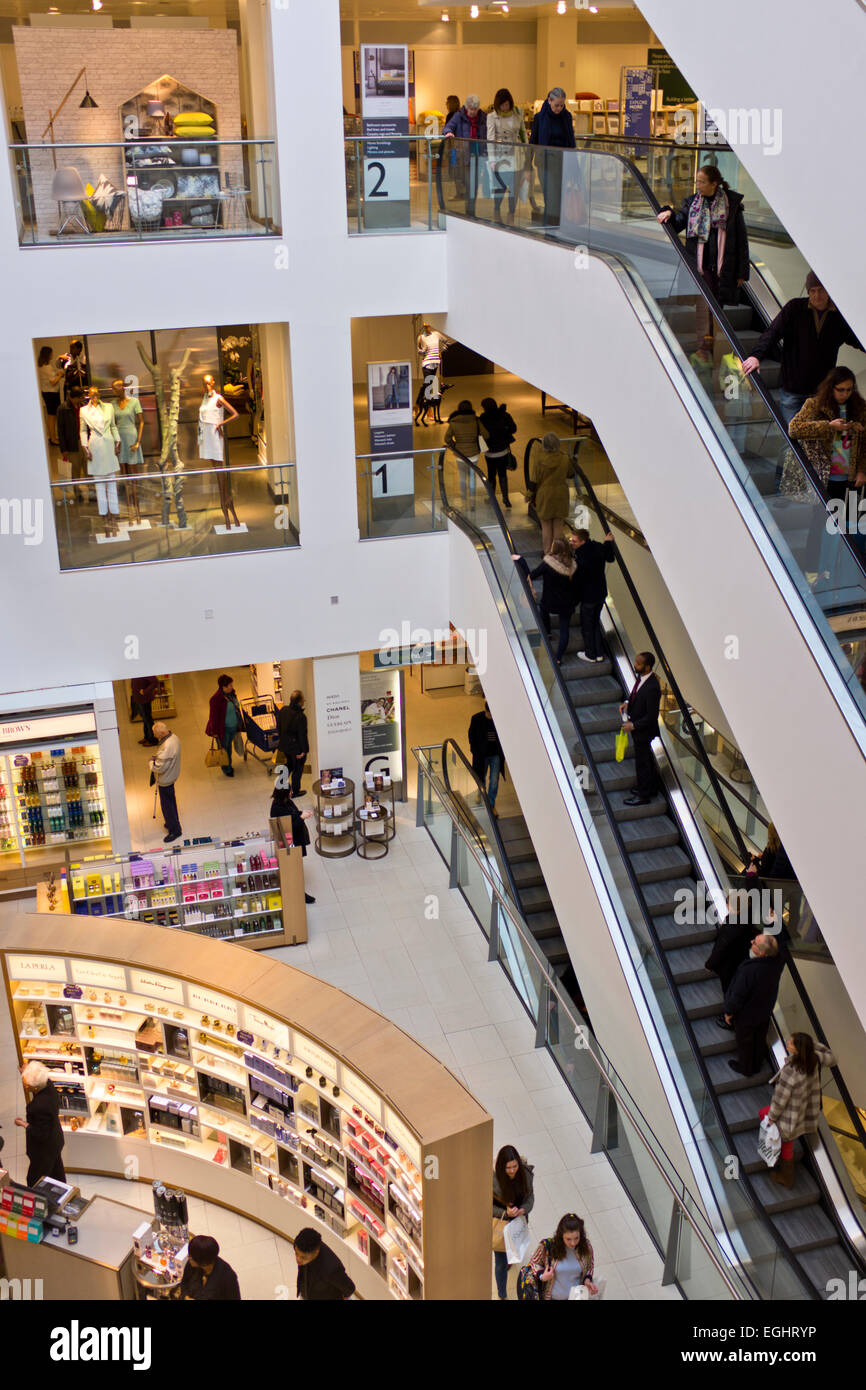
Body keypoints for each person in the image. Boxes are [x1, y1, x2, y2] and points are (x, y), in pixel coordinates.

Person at [741, 272, 864, 428]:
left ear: (828, 291)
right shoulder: (795, 308)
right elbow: (773, 333)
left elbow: (857, 339)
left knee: (817, 442)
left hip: (820, 392)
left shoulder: (839, 317)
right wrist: (756, 356)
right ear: (808, 292)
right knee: (791, 438)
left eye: (821, 290)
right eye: (812, 291)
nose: (817, 295)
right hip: (793, 390)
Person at [657, 165, 749, 343]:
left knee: (717, 306)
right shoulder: (693, 203)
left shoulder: (732, 205)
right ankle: (704, 345)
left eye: (701, 182)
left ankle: (713, 343)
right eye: (697, 181)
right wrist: (667, 211)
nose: (698, 185)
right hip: (701, 267)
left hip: (724, 267)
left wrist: (742, 273)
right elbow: (678, 223)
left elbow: (741, 241)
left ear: (714, 183)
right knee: (703, 305)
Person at [761, 1032, 835, 1188]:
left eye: (792, 1043)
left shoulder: (791, 1071)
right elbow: (831, 1058)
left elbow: (780, 1100)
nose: (787, 1043)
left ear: (799, 1049)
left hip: (790, 1114)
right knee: (787, 1137)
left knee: (783, 1138)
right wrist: (811, 1045)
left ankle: (786, 1177)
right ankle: (785, 1172)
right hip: (805, 1110)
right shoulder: (814, 1059)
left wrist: (772, 1118)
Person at [788, 368, 866, 503]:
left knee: (848, 517)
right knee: (822, 517)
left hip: (850, 475)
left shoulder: (860, 408)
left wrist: (861, 470)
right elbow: (794, 429)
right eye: (840, 390)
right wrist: (828, 426)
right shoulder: (814, 405)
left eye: (849, 390)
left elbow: (864, 443)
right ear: (830, 388)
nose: (845, 394)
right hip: (824, 474)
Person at [722, 934, 784, 1076]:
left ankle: (746, 1067)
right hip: (764, 1011)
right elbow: (782, 945)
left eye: (755, 943)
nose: (751, 942)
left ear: (761, 953)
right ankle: (756, 1063)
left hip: (747, 1014)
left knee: (745, 1041)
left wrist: (728, 1011)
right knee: (759, 1039)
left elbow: (738, 994)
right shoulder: (776, 964)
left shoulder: (749, 970)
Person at [526, 89, 575, 228]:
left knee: (559, 198)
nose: (559, 108)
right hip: (545, 163)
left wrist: (574, 165)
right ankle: (551, 230)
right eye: (556, 105)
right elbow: (533, 142)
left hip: (563, 162)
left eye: (562, 105)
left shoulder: (567, 117)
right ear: (549, 100)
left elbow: (571, 142)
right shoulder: (539, 118)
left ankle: (556, 227)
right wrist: (527, 166)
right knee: (551, 198)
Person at [492, 1145, 535, 1300]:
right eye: (508, 1168)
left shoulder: (525, 1175)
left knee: (515, 1247)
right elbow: (486, 1206)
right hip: (501, 1226)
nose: (512, 1171)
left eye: (515, 1166)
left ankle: (510, 1261)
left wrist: (523, 1209)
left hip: (519, 1221)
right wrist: (505, 1212)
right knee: (500, 1263)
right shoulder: (493, 1181)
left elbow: (530, 1198)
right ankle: (502, 1294)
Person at [14, 1061, 66, 1188]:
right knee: (56, 1174)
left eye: (27, 1084)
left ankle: (40, 1203)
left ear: (35, 1087)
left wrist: (24, 1124)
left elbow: (40, 1134)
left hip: (44, 1149)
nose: (25, 1086)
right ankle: (63, 1196)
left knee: (35, 1180)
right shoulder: (49, 1086)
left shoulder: (38, 1107)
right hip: (55, 1140)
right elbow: (39, 1079)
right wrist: (27, 1072)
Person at [619, 651, 661, 806]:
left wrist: (633, 725)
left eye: (638, 664)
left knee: (642, 763)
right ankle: (650, 788)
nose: (635, 665)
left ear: (647, 666)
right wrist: (627, 703)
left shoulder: (653, 687)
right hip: (640, 729)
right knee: (646, 760)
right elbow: (636, 694)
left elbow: (652, 715)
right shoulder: (642, 678)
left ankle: (643, 795)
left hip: (644, 731)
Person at [80, 384, 122, 536]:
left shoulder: (109, 407)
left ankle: (114, 519)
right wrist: (85, 447)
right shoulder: (84, 411)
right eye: (92, 394)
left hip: (109, 446)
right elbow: (83, 430)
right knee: (100, 487)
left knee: (111, 484)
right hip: (95, 447)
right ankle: (105, 520)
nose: (94, 396)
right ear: (88, 396)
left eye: (96, 393)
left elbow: (113, 427)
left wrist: (118, 442)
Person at [525, 1213, 597, 1301]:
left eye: (576, 1238)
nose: (573, 1243)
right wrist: (541, 1275)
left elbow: (590, 1265)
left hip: (576, 1296)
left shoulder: (586, 1247)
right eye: (568, 1239)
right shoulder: (548, 1246)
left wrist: (587, 1279)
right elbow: (534, 1262)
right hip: (552, 1297)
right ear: (561, 1236)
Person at [527, 538, 577, 664]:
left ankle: (547, 632)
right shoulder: (573, 565)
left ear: (555, 549)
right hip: (567, 603)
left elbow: (533, 574)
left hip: (550, 601)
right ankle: (559, 658)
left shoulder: (548, 563)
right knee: (564, 629)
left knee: (543, 610)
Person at [570, 528, 616, 663]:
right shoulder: (597, 546)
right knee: (595, 622)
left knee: (587, 625)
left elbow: (578, 580)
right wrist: (607, 543)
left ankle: (590, 654)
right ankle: (599, 653)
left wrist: (574, 599)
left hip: (588, 596)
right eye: (571, 540)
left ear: (583, 541)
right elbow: (610, 558)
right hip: (601, 593)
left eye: (575, 541)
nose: (572, 543)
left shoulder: (580, 557)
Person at [269, 782, 316, 905]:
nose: (292, 792)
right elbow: (289, 828)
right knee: (294, 867)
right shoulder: (278, 809)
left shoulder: (285, 801)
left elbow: (293, 813)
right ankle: (300, 894)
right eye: (290, 791)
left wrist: (302, 813)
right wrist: (301, 818)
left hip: (295, 840)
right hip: (290, 844)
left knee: (296, 865)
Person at [486, 88, 526, 223]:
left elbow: (523, 133)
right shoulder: (492, 117)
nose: (505, 107)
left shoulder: (518, 112)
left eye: (507, 104)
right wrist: (492, 160)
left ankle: (511, 214)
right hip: (501, 156)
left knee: (514, 187)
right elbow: (490, 139)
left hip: (517, 154)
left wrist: (527, 151)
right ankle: (496, 211)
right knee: (500, 186)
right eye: (502, 105)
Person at [529, 432, 571, 553]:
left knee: (546, 526)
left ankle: (548, 553)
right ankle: (557, 553)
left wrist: (529, 495)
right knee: (558, 526)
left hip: (544, 495)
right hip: (561, 494)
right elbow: (571, 474)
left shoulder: (539, 459)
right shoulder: (565, 458)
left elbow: (534, 479)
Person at [443, 94, 485, 213]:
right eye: (470, 109)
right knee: (469, 184)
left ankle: (471, 210)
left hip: (478, 156)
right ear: (466, 108)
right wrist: (449, 133)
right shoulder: (459, 116)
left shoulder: (482, 117)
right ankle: (469, 211)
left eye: (475, 109)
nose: (472, 112)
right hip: (464, 157)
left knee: (474, 186)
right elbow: (447, 127)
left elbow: (486, 133)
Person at [112, 378, 144, 523]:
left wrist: (138, 441)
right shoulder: (112, 405)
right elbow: (113, 424)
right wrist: (115, 443)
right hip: (120, 440)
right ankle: (130, 513)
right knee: (125, 479)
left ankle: (137, 512)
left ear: (123, 387)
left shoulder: (134, 402)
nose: (115, 390)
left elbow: (142, 421)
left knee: (133, 479)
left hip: (131, 439)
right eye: (113, 388)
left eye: (117, 387)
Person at [444, 399, 488, 503]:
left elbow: (447, 438)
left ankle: (464, 498)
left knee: (462, 476)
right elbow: (486, 435)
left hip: (460, 454)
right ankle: (472, 499)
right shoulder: (476, 421)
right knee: (472, 476)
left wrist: (455, 445)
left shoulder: (454, 422)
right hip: (474, 453)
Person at [294, 1227, 356, 1300]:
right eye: (296, 1253)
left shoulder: (331, 1269)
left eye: (303, 1257)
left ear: (316, 1252)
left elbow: (349, 1288)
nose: (298, 1259)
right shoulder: (299, 1245)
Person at [468, 701, 506, 815]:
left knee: (494, 781)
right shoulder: (476, 719)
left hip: (495, 755)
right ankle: (481, 794)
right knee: (481, 778)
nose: (491, 717)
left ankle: (491, 804)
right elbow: (471, 736)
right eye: (489, 714)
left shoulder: (499, 719)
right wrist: (475, 751)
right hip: (481, 756)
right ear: (485, 711)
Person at [479, 396, 516, 507]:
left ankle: (492, 499)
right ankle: (506, 499)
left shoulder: (483, 418)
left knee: (491, 475)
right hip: (503, 450)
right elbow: (514, 429)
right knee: (503, 475)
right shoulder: (504, 415)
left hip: (490, 453)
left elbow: (480, 433)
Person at [180, 1234, 241, 1300]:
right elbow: (184, 1282)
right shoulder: (191, 1264)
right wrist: (185, 1297)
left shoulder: (228, 1277)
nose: (188, 1257)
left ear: (203, 1262)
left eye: (191, 1257)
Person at [206, 674, 244, 779]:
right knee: (224, 749)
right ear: (223, 687)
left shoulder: (231, 694)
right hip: (224, 729)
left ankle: (228, 764)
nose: (232, 687)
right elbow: (213, 717)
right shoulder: (216, 699)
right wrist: (215, 732)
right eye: (230, 685)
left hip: (233, 727)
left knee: (229, 748)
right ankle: (227, 768)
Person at [150, 721, 182, 844]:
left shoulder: (167, 746)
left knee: (167, 805)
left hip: (166, 779)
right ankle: (171, 822)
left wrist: (151, 762)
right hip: (172, 775)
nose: (154, 736)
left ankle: (175, 830)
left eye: (155, 734)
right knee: (171, 801)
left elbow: (159, 767)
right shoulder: (174, 738)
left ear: (162, 733)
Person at [56, 383, 87, 504]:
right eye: (80, 397)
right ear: (73, 397)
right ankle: (77, 492)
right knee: (75, 470)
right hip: (73, 444)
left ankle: (92, 491)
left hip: (85, 442)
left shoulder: (84, 406)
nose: (82, 399)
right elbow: (60, 429)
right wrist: (63, 448)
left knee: (89, 468)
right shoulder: (63, 408)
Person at [277, 689, 309, 797]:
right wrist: (304, 750)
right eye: (303, 700)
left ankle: (281, 785)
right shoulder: (300, 716)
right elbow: (302, 735)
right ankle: (295, 791)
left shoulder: (283, 710)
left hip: (285, 746)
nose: (304, 701)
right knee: (298, 768)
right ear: (300, 702)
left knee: (289, 765)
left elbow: (279, 727)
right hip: (296, 748)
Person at [37, 346, 64, 445]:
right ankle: (53, 438)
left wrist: (57, 373)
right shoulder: (46, 367)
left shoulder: (43, 366)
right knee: (52, 416)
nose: (53, 355)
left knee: (50, 415)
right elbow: (53, 381)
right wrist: (60, 375)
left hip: (48, 392)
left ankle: (52, 437)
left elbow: (52, 376)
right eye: (51, 353)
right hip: (51, 393)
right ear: (48, 354)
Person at [131, 675, 159, 746]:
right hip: (139, 699)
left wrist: (145, 691)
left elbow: (155, 682)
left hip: (144, 699)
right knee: (145, 719)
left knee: (148, 720)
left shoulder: (144, 670)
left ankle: (153, 740)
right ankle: (147, 737)